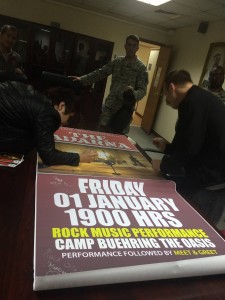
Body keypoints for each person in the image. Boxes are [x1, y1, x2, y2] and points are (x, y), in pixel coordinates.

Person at [151, 69, 225, 224]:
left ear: (172, 88)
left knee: (199, 225)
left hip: (213, 178)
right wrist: (168, 148)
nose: (167, 100)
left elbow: (190, 148)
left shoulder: (192, 102)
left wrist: (164, 165)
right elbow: (190, 140)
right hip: (209, 169)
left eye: (166, 94)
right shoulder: (199, 97)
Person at [0, 79, 97, 166]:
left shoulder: (41, 99)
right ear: (61, 106)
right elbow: (49, 157)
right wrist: (80, 157)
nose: (66, 123)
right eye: (69, 118)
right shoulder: (48, 113)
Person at [69, 34, 148, 134]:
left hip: (124, 109)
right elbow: (100, 73)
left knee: (117, 137)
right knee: (102, 133)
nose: (131, 48)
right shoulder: (117, 62)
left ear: (137, 48)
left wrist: (133, 93)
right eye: (129, 45)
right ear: (125, 46)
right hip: (110, 106)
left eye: (134, 45)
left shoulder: (141, 68)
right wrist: (82, 79)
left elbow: (143, 90)